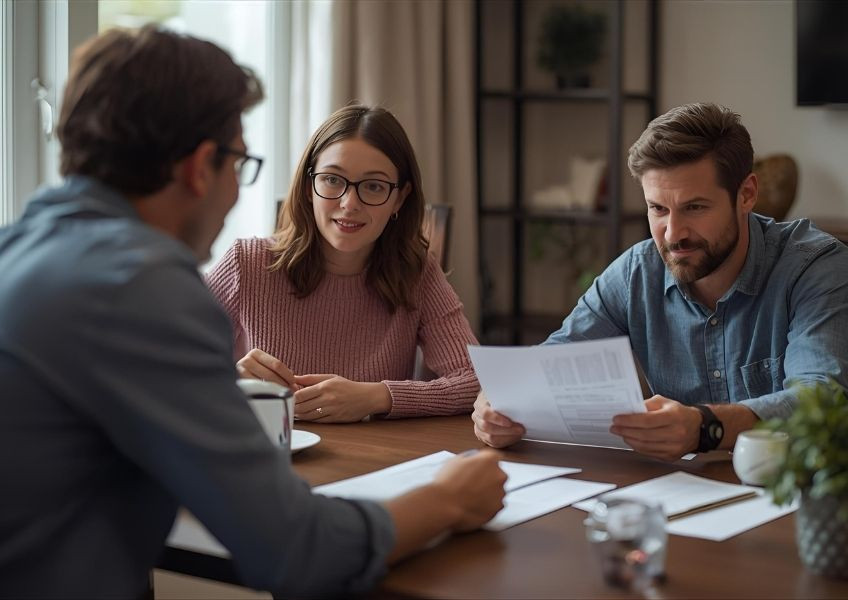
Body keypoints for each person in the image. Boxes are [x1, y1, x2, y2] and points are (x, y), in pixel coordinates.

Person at [0, 26, 505, 599]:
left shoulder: (19, 248)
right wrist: (449, 499)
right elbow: (295, 549)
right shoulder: (140, 288)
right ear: (199, 166)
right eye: (240, 162)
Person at [472, 102, 848, 461]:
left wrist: (704, 426)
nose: (673, 234)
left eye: (695, 207)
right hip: (678, 499)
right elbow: (551, 364)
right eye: (657, 209)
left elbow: (822, 401)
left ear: (746, 195)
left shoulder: (814, 265)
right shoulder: (634, 274)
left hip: (795, 489)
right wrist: (500, 403)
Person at [205, 104, 480, 423]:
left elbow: (476, 382)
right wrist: (233, 380)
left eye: (374, 186)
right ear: (310, 187)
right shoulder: (245, 263)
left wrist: (377, 396)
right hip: (268, 456)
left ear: (399, 199)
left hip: (376, 462)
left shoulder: (418, 273)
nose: (349, 204)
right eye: (333, 180)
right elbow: (166, 365)